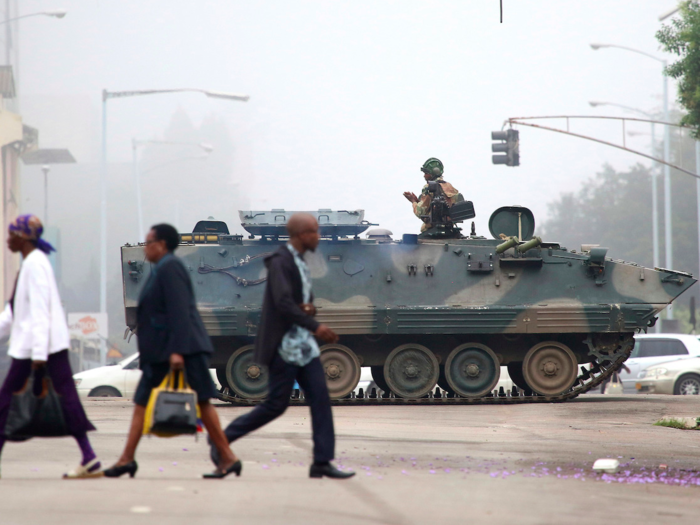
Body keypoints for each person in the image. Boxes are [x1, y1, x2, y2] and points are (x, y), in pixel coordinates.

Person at [211, 213, 355, 479]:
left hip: (303, 345)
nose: (318, 236)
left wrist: (307, 309)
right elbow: (282, 302)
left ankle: (322, 461)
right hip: (285, 346)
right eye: (314, 231)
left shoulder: (298, 261)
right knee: (275, 405)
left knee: (321, 400)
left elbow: (294, 301)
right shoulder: (281, 261)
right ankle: (220, 439)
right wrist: (317, 326)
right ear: (301, 235)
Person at [103, 224, 239, 479]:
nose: (145, 247)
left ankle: (228, 457)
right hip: (165, 352)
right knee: (144, 403)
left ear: (162, 244)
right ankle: (126, 459)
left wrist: (177, 351)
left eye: (149, 242)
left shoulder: (171, 268)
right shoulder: (162, 269)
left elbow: (179, 310)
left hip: (179, 351)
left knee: (200, 402)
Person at [0, 215, 101, 479]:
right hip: (41, 347)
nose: (7, 239)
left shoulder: (35, 265)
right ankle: (89, 458)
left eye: (11, 234)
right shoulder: (29, 266)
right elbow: (12, 314)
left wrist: (37, 356)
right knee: (67, 400)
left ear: (23, 237)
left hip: (38, 349)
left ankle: (89, 458)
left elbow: (41, 312)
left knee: (5, 401)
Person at [403, 157, 461, 232]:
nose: (424, 176)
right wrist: (418, 201)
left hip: (432, 230)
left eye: (426, 173)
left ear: (432, 173)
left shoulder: (429, 187)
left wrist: (413, 201)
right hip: (450, 229)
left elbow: (420, 212)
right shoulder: (449, 186)